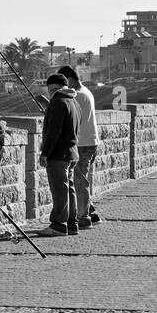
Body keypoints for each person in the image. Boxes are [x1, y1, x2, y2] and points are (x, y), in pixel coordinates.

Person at [37, 73, 80, 237]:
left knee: (59, 190)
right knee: (69, 189)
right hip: (71, 152)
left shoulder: (57, 102)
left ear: (52, 88)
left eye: (50, 90)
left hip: (58, 155)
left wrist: (45, 153)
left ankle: (59, 225)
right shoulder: (73, 101)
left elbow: (54, 131)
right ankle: (72, 223)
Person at [58, 65, 100, 228]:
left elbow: (68, 117)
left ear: (69, 79)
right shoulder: (86, 92)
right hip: (91, 141)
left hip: (82, 143)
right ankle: (90, 212)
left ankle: (84, 217)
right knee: (81, 179)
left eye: (63, 82)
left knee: (79, 181)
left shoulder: (77, 96)